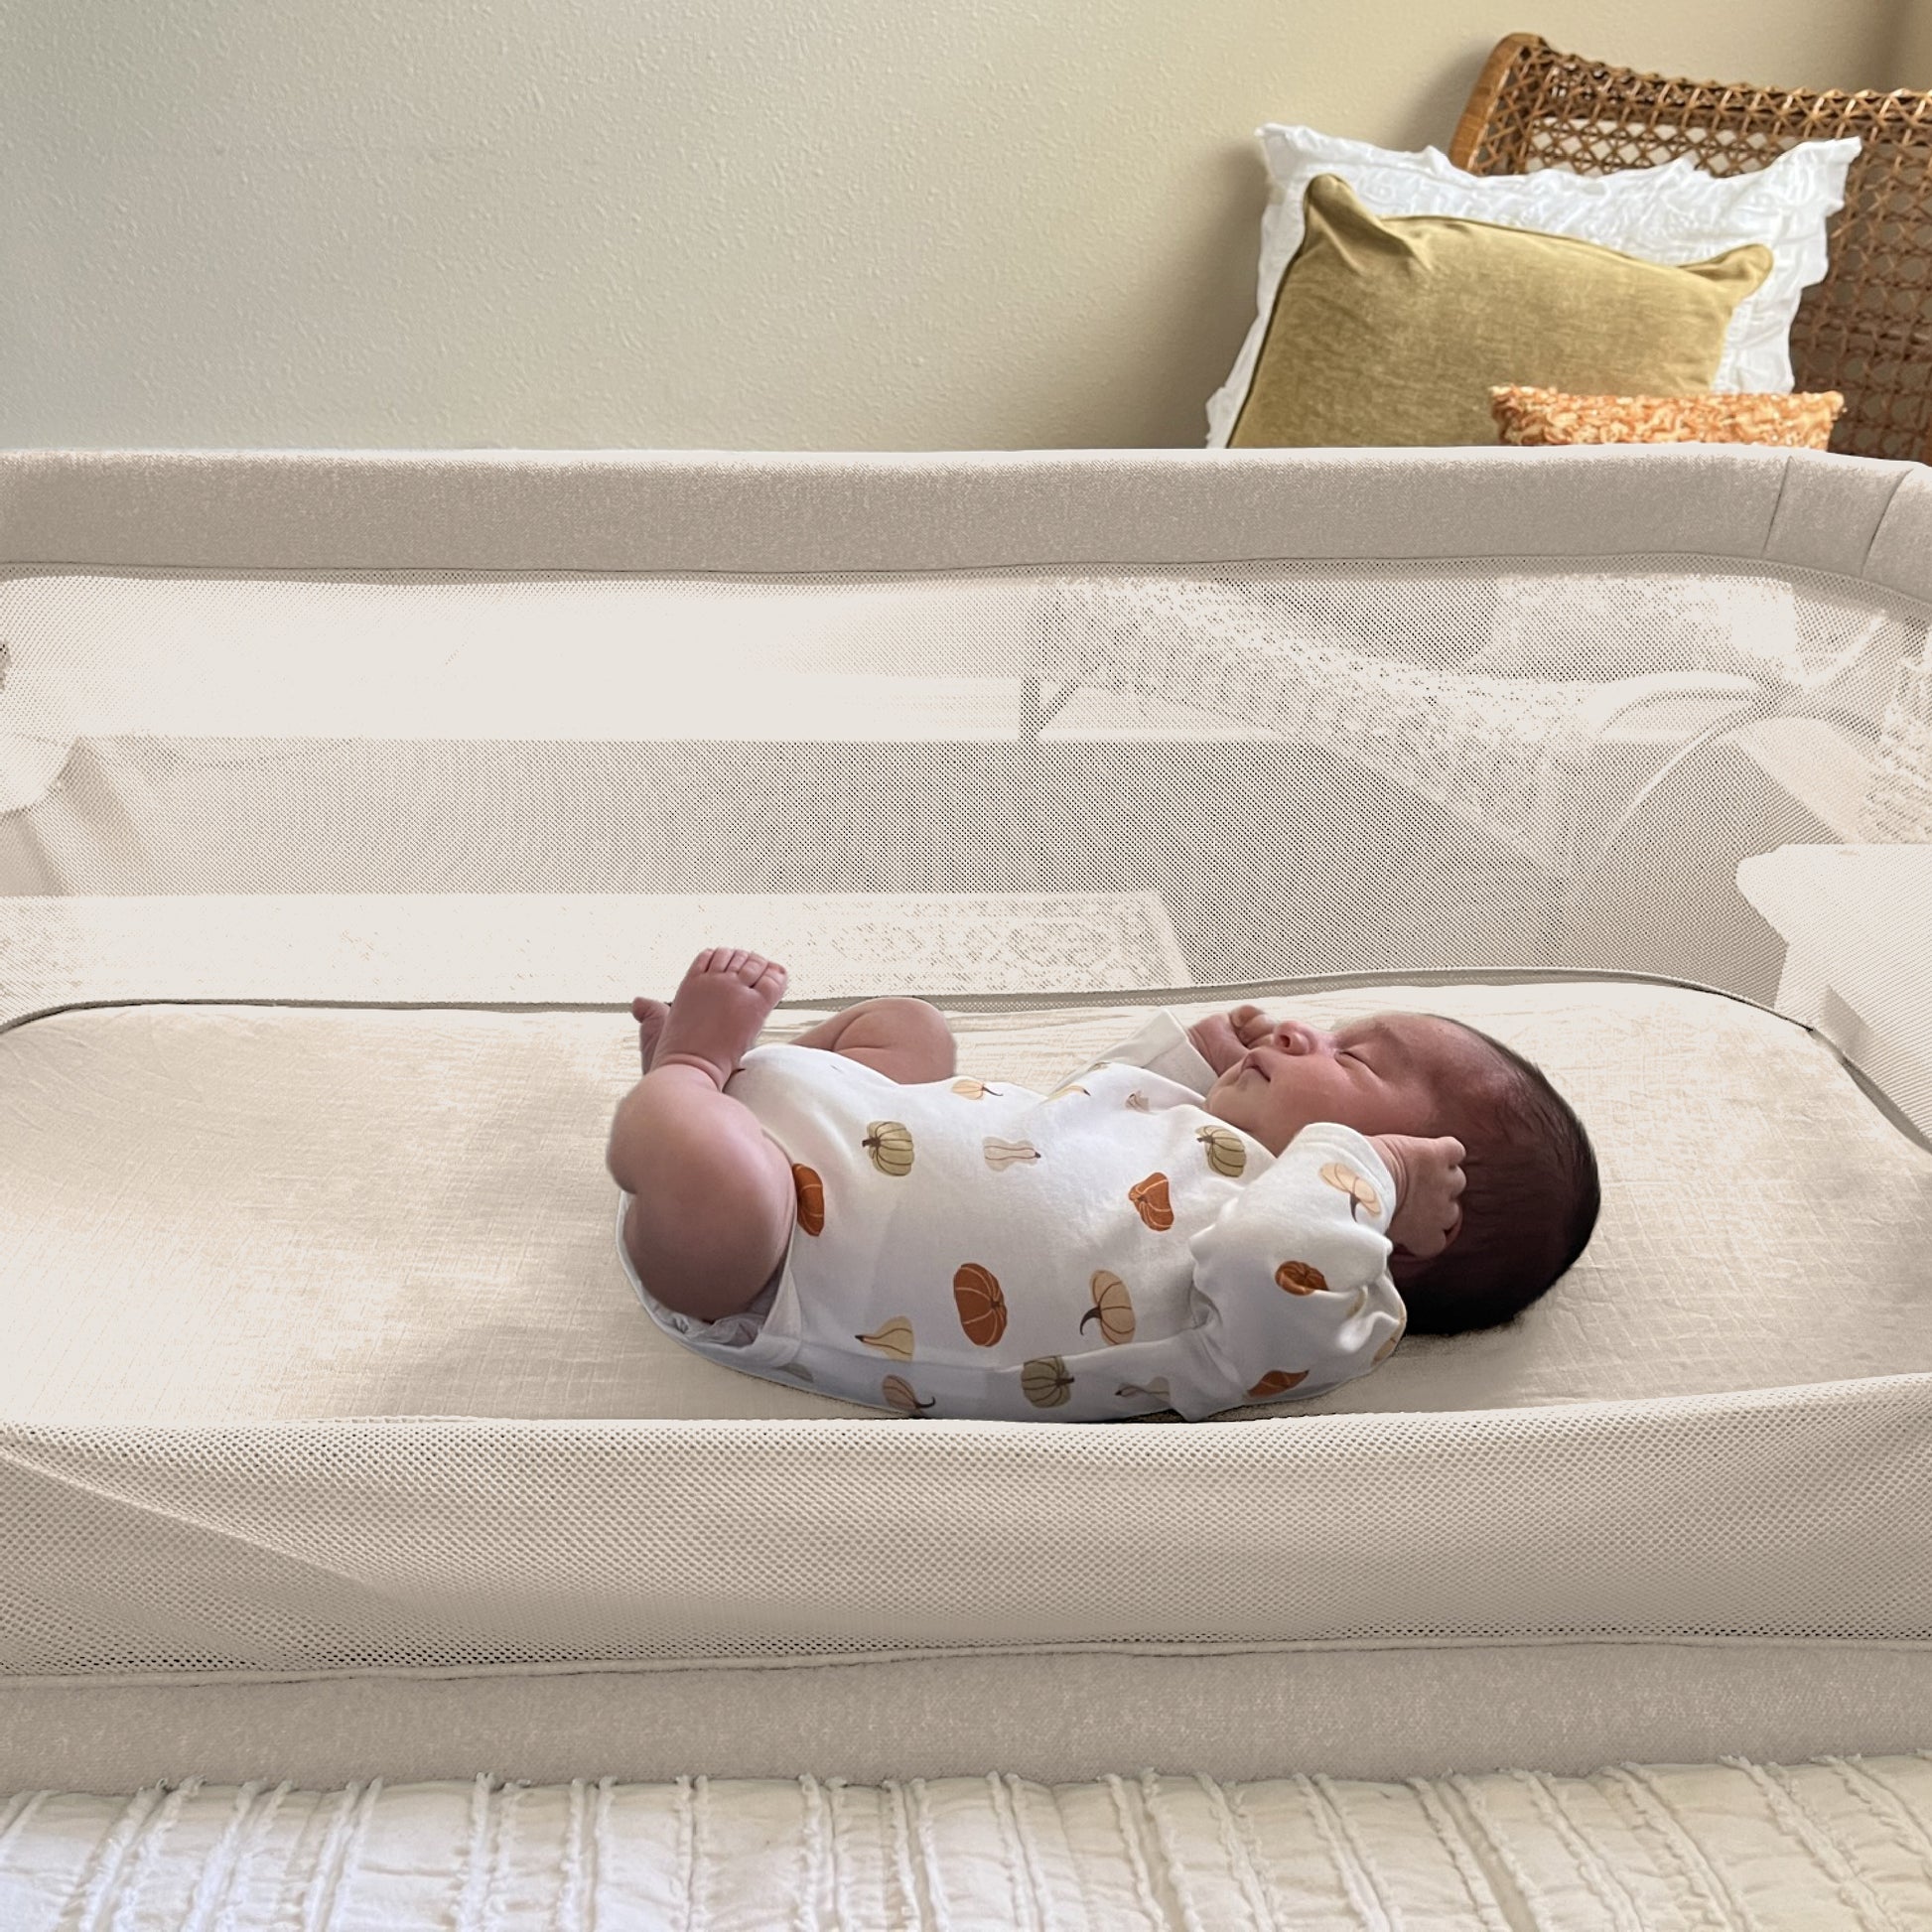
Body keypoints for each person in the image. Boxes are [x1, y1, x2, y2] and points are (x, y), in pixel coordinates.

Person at [605, 947, 1598, 1422]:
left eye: (1356, 1058)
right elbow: (1086, 1110)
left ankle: (687, 1077)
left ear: (1401, 1219)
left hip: (768, 1258)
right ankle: (740, 1084)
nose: (1305, 1029)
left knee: (727, 1191)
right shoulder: (1202, 1141)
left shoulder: (1318, 1312)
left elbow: (1275, 1250)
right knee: (910, 1029)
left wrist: (1366, 1174)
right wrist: (1205, 1049)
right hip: (868, 1125)